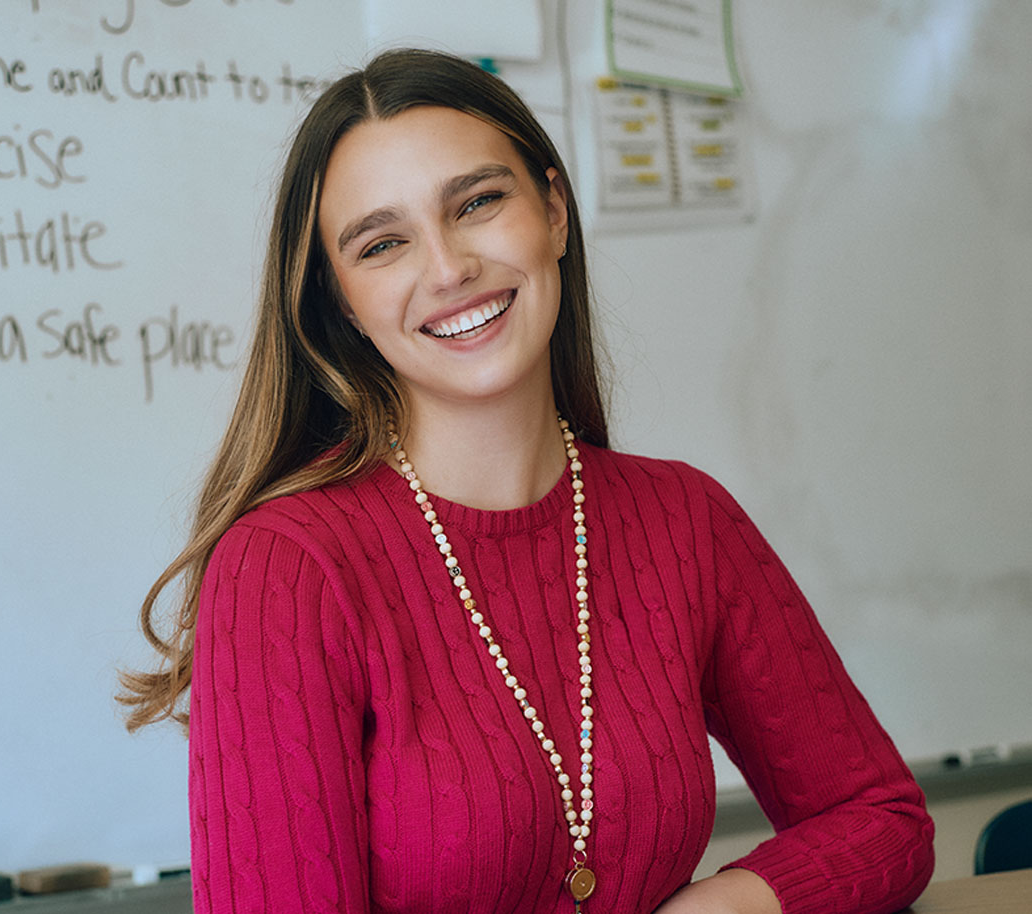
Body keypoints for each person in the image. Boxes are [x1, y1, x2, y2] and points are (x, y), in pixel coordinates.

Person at [119, 48, 934, 914]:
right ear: (341, 304)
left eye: (477, 203)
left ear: (551, 211)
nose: (447, 268)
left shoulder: (685, 519)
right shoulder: (284, 569)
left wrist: (723, 906)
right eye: (385, 243)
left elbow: (879, 818)